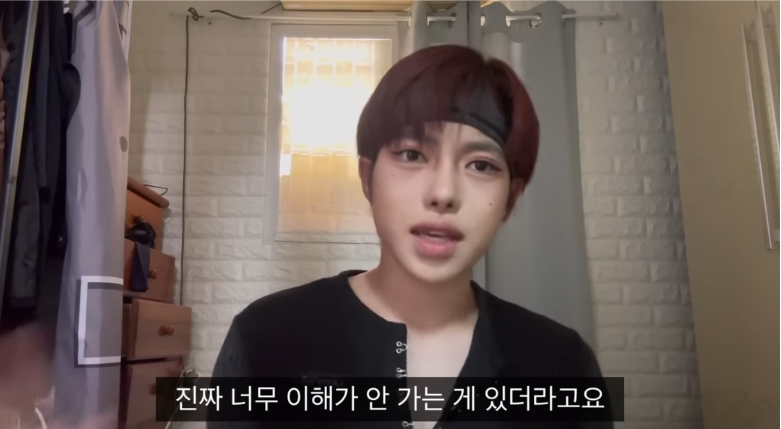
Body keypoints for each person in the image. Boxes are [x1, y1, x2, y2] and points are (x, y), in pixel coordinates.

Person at [211, 45, 609, 429]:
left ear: (510, 198)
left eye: (481, 165)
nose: (443, 193)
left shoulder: (563, 364)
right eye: (412, 155)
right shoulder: (265, 336)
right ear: (368, 177)